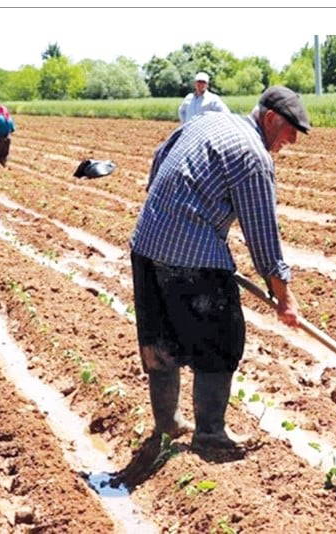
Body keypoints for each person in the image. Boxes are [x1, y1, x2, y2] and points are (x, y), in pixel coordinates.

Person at [130, 86, 309, 451]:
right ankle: (210, 436)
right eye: (290, 128)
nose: (291, 139)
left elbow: (158, 157)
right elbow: (263, 234)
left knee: (160, 341)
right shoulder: (253, 156)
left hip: (146, 242)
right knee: (221, 339)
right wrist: (284, 296)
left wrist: (166, 211)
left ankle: (167, 425)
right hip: (191, 254)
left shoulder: (207, 121)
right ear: (271, 118)